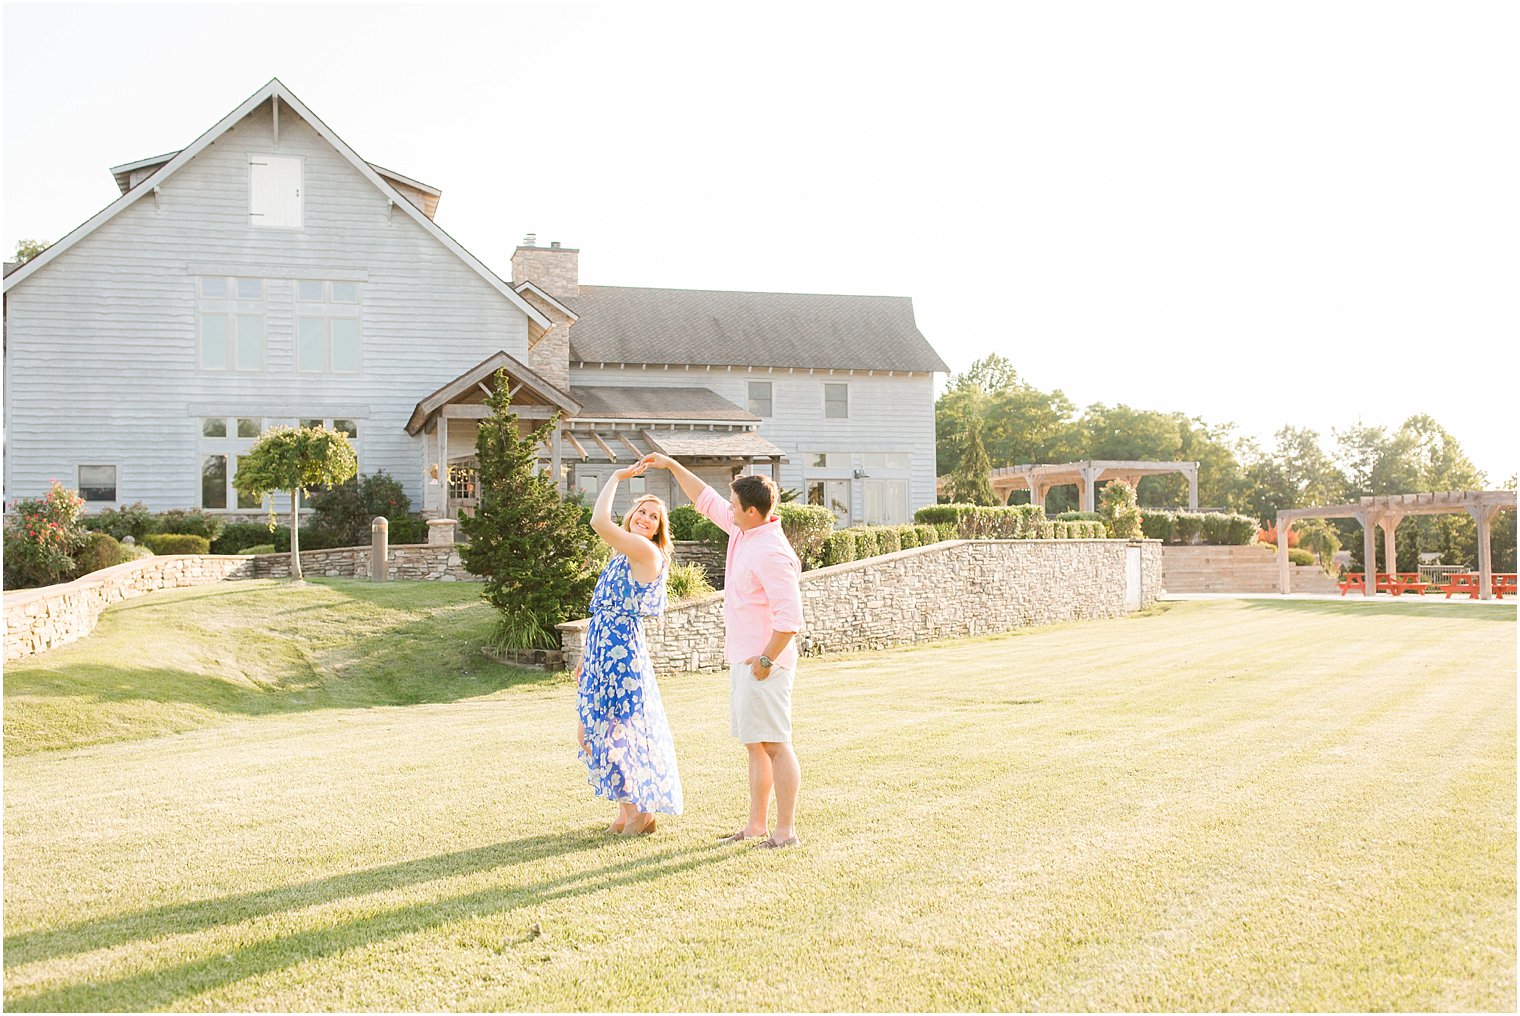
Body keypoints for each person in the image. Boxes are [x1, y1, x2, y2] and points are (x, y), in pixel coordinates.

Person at [640, 453, 805, 849]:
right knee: (756, 744)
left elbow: (790, 618)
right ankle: (755, 827)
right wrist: (670, 465)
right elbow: (704, 497)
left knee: (776, 744)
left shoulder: (772, 552)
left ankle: (785, 832)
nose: (727, 509)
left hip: (766, 663)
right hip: (746, 661)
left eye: (734, 505)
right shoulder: (744, 530)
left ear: (752, 511)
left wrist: (765, 661)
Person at [575, 462, 683, 836]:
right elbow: (602, 609)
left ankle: (637, 811)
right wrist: (587, 658)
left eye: (654, 517)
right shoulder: (623, 554)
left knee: (612, 732)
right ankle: (631, 812)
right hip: (605, 647)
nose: (646, 519)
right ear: (633, 515)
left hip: (621, 651)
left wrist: (616, 478)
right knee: (599, 731)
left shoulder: (644, 552)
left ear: (658, 529)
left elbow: (598, 522)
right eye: (642, 512)